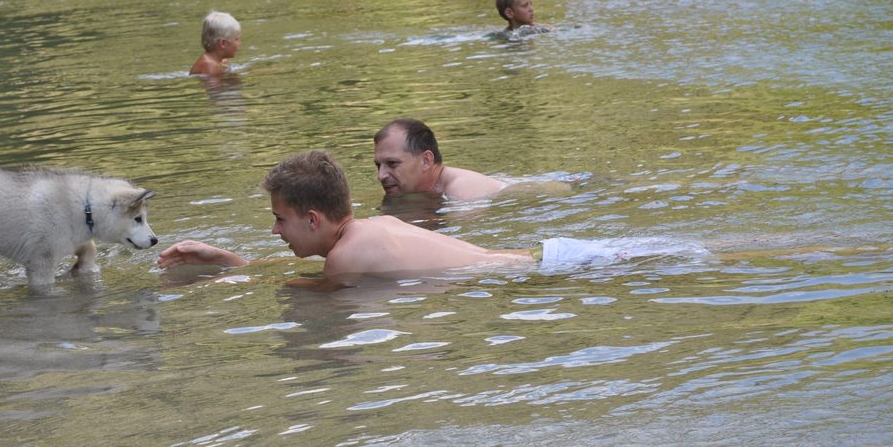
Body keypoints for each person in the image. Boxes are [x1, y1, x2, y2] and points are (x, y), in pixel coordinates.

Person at [158, 149, 595, 286]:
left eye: (279, 219)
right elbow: (303, 270)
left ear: (313, 220)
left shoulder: (345, 258)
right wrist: (228, 258)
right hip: (552, 255)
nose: (274, 230)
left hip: (552, 270)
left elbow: (295, 282)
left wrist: (227, 273)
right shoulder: (369, 229)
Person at [374, 118, 571, 201]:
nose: (381, 175)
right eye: (378, 165)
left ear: (426, 160)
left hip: (560, 192)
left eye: (392, 164)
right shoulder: (414, 191)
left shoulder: (462, 191)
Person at [190, 11, 241, 76]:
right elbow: (215, 83)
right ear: (223, 43)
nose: (239, 43)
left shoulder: (221, 61)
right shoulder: (210, 65)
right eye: (236, 39)